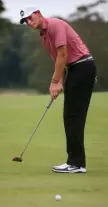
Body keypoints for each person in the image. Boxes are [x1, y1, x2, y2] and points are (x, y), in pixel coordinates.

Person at [20, 6, 96, 173]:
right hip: (75, 69)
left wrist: (55, 81)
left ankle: (76, 164)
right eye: (26, 21)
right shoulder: (44, 36)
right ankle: (76, 162)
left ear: (38, 13)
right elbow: (58, 61)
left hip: (82, 67)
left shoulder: (55, 25)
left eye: (31, 18)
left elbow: (63, 54)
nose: (29, 22)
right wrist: (57, 83)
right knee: (70, 115)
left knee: (73, 115)